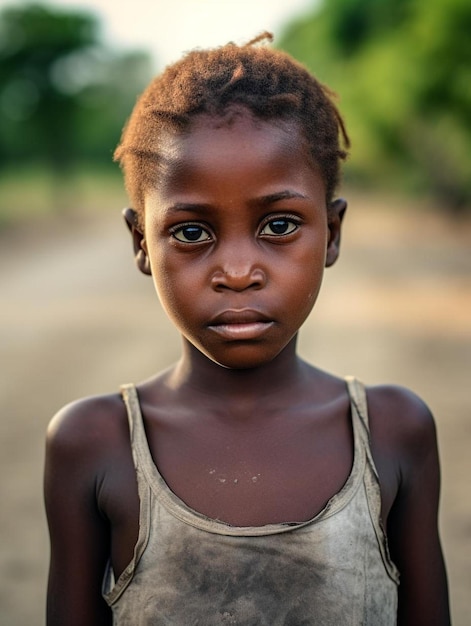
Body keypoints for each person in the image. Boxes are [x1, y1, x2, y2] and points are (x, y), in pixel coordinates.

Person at [44, 33, 450, 625]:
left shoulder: (393, 431)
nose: (237, 272)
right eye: (191, 233)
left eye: (280, 224)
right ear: (142, 244)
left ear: (332, 233)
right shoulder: (94, 443)